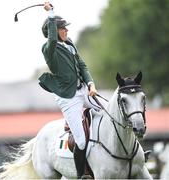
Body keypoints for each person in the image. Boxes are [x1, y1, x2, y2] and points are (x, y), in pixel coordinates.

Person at [38, 2, 101, 179]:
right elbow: (51, 39)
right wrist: (51, 13)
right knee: (80, 141)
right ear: (54, 31)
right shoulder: (48, 48)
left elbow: (81, 64)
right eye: (63, 28)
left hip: (83, 90)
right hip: (68, 97)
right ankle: (83, 174)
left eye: (65, 28)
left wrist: (91, 83)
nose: (66, 31)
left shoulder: (69, 43)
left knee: (108, 114)